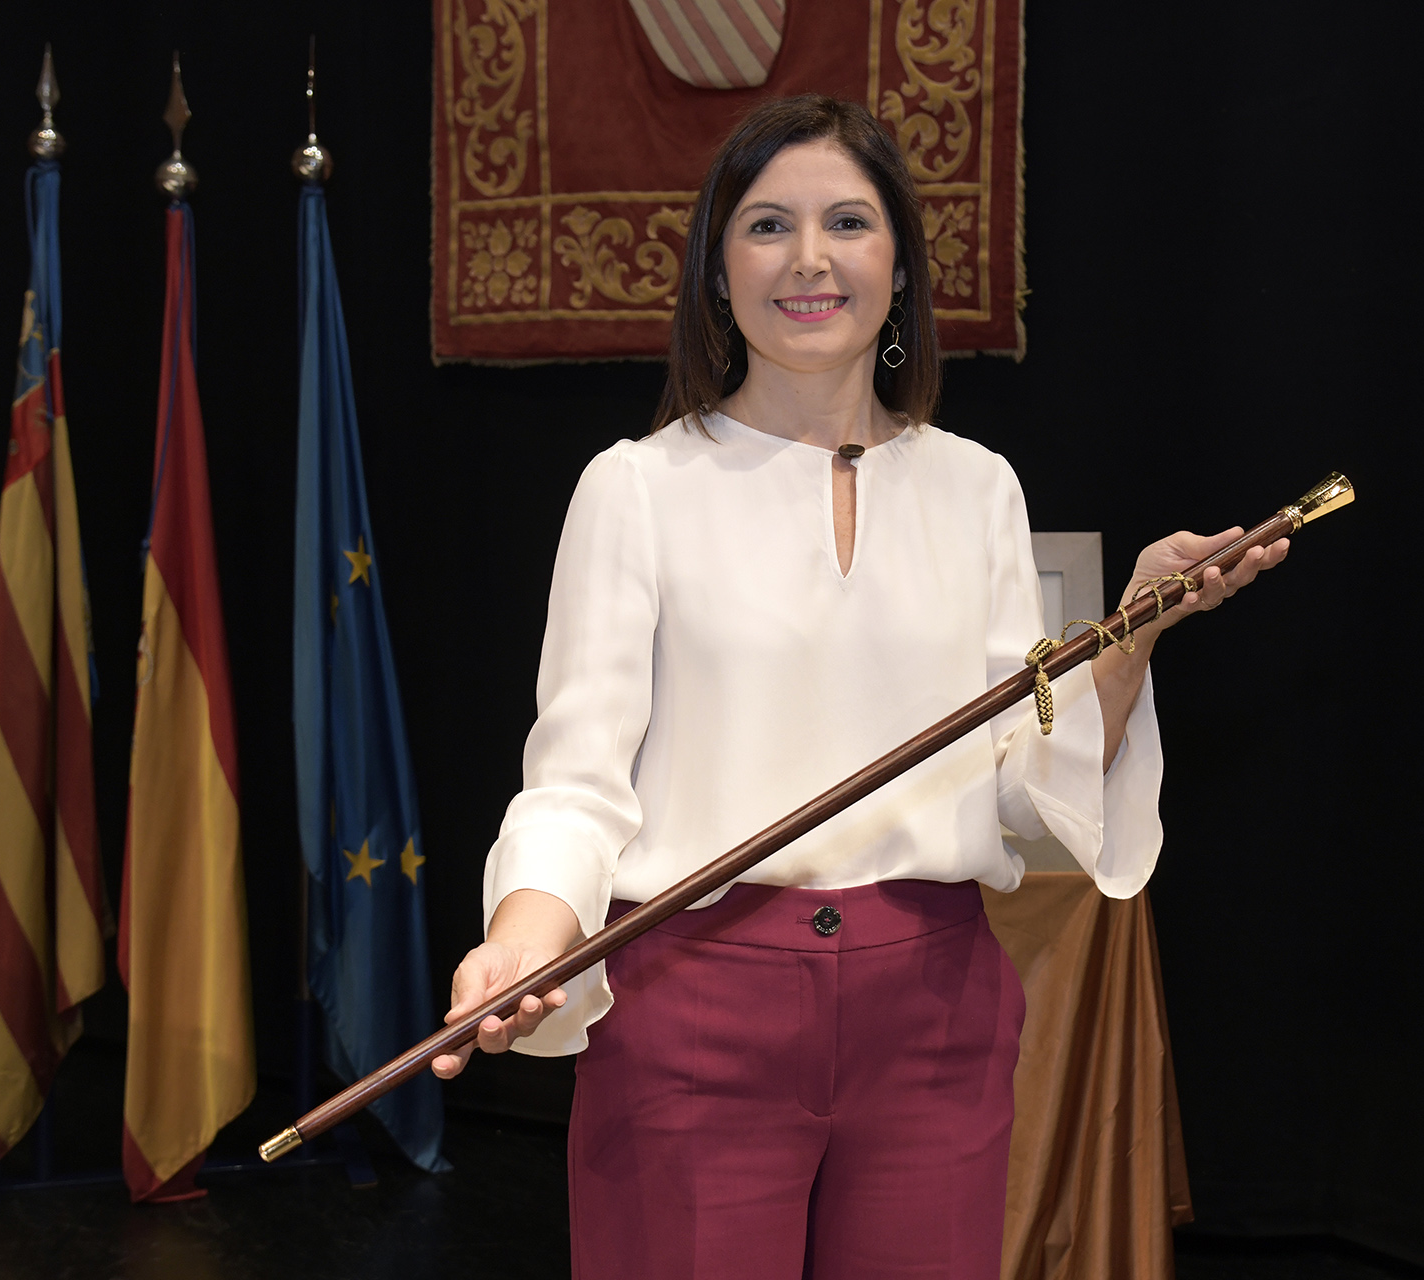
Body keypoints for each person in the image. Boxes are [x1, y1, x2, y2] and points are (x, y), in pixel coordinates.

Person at [432, 95, 1288, 1279]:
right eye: (769, 226)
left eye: (848, 221)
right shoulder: (633, 488)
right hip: (691, 1004)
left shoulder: (976, 486)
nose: (811, 258)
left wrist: (1132, 630)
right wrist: (520, 940)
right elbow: (577, 782)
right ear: (718, 269)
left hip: (935, 1009)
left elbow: (1023, 791)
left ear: (898, 266)